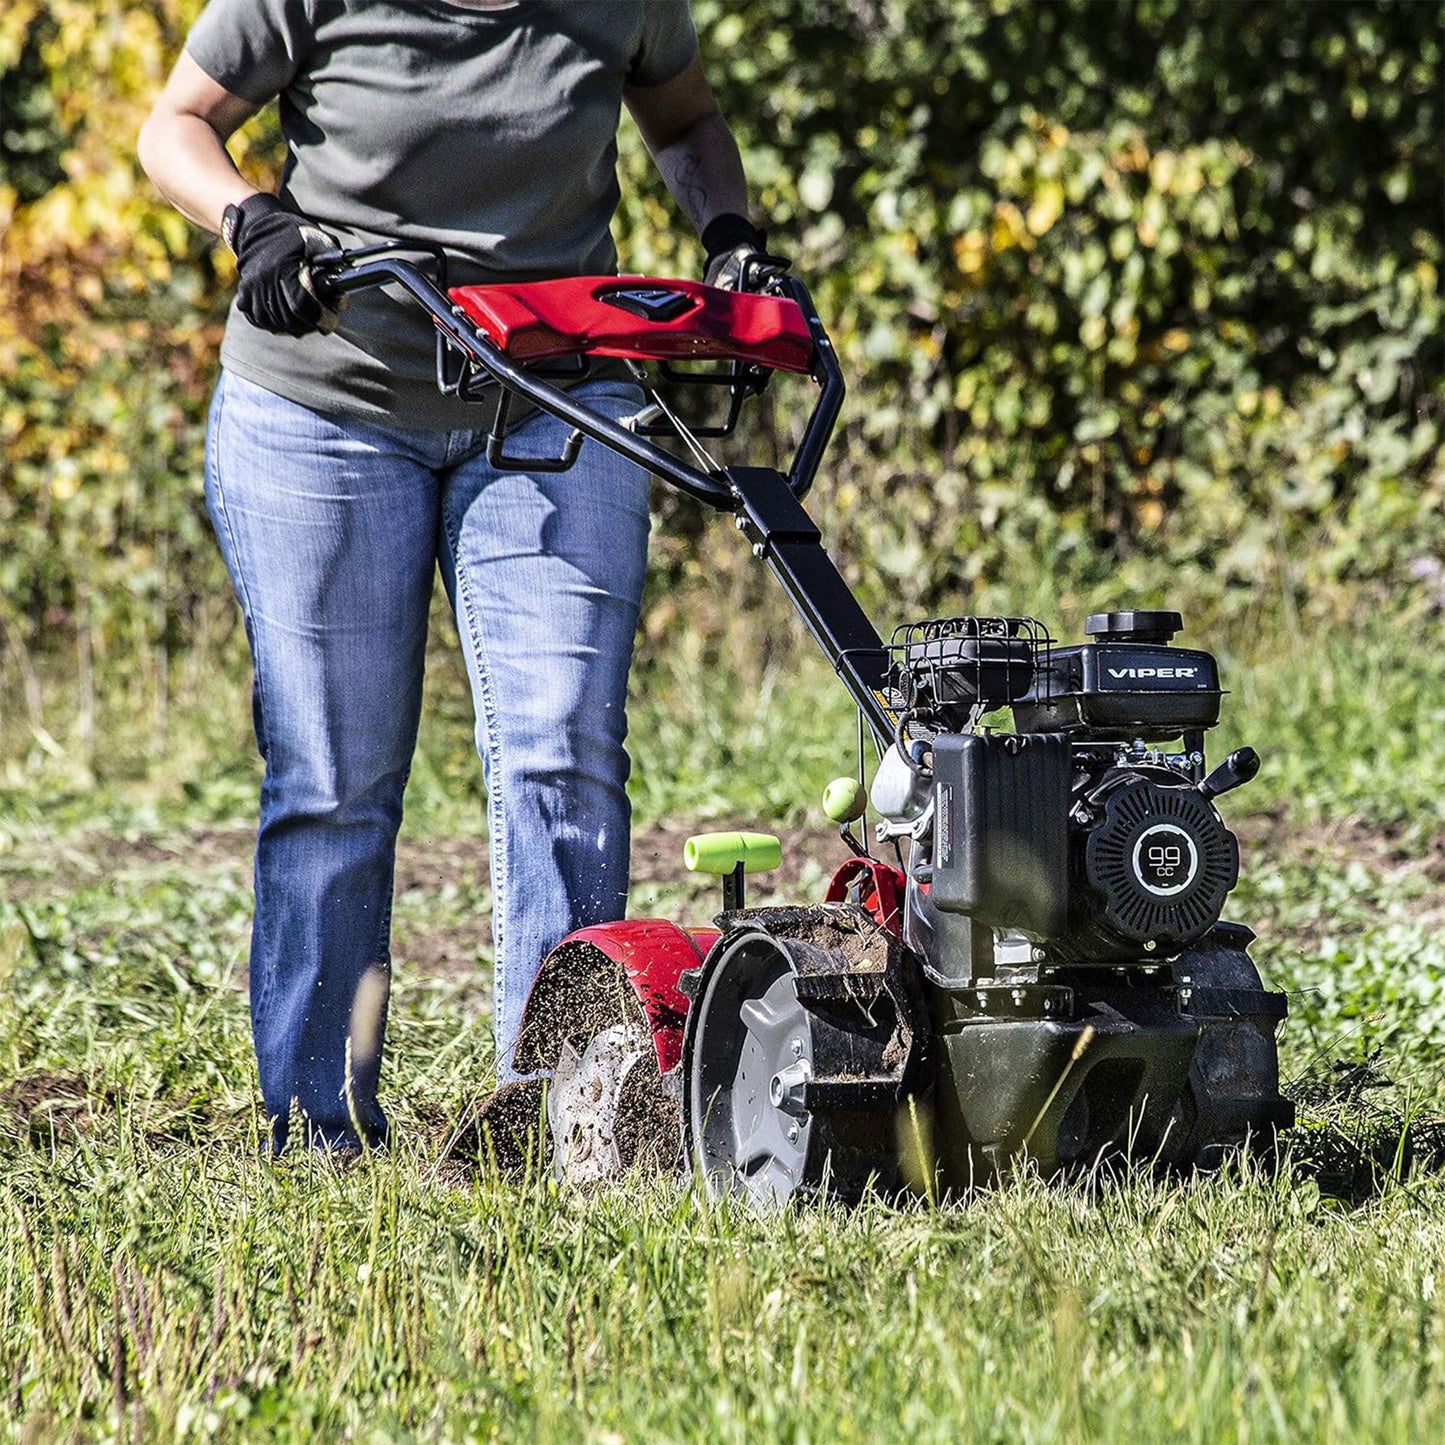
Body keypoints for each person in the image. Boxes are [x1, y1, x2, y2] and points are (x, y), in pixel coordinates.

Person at [138, 0, 768, 1154]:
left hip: (552, 392)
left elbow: (685, 122)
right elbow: (175, 123)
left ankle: (561, 1124)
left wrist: (727, 231)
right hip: (324, 405)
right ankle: (319, 1128)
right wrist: (253, 220)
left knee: (561, 752)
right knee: (333, 776)